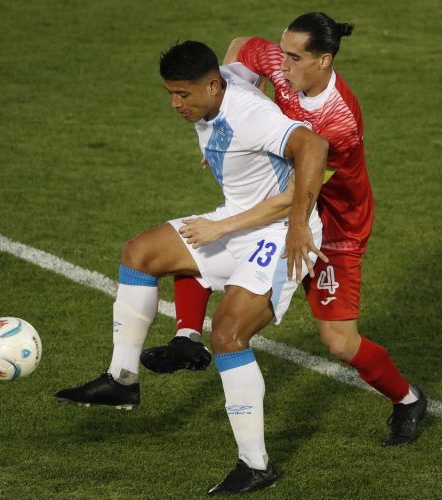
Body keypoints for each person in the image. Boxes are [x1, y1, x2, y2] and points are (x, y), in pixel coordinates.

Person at [55, 40, 329, 495]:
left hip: (277, 233)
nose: (176, 105)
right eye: (170, 94)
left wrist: (299, 222)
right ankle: (122, 379)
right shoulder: (223, 78)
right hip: (237, 218)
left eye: (184, 95)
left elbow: (314, 146)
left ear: (212, 85)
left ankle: (256, 465)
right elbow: (242, 46)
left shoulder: (248, 114)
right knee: (139, 253)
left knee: (227, 334)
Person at [140, 12, 428, 447]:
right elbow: (239, 46)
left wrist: (225, 223)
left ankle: (407, 399)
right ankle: (185, 338)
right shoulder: (278, 63)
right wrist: (231, 125)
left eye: (294, 58)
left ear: (324, 60)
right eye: (283, 52)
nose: (282, 64)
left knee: (339, 341)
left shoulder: (338, 122)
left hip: (334, 226)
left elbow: (299, 194)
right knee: (194, 254)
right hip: (285, 217)